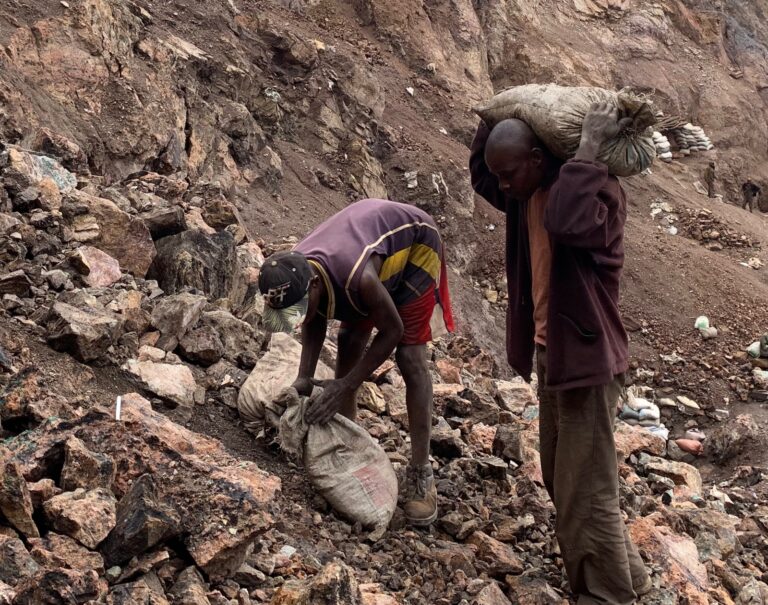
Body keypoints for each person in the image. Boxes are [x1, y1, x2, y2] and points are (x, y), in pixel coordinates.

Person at [469, 103, 651, 604]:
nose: (502, 185)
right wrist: (494, 116)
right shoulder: (523, 192)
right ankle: (629, 576)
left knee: (584, 487)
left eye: (511, 173)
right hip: (556, 355)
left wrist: (589, 149)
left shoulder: (599, 196)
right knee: (561, 473)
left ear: (537, 158)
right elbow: (483, 174)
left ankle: (606, 594)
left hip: (588, 363)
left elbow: (568, 223)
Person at [258, 198, 455, 526]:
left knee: (410, 357)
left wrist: (347, 385)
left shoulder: (356, 278)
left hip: (415, 247)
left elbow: (393, 331)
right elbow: (314, 317)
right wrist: (303, 379)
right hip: (368, 252)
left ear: (315, 285)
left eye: (299, 310)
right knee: (349, 341)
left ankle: (422, 475)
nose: (296, 319)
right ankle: (349, 443)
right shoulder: (294, 270)